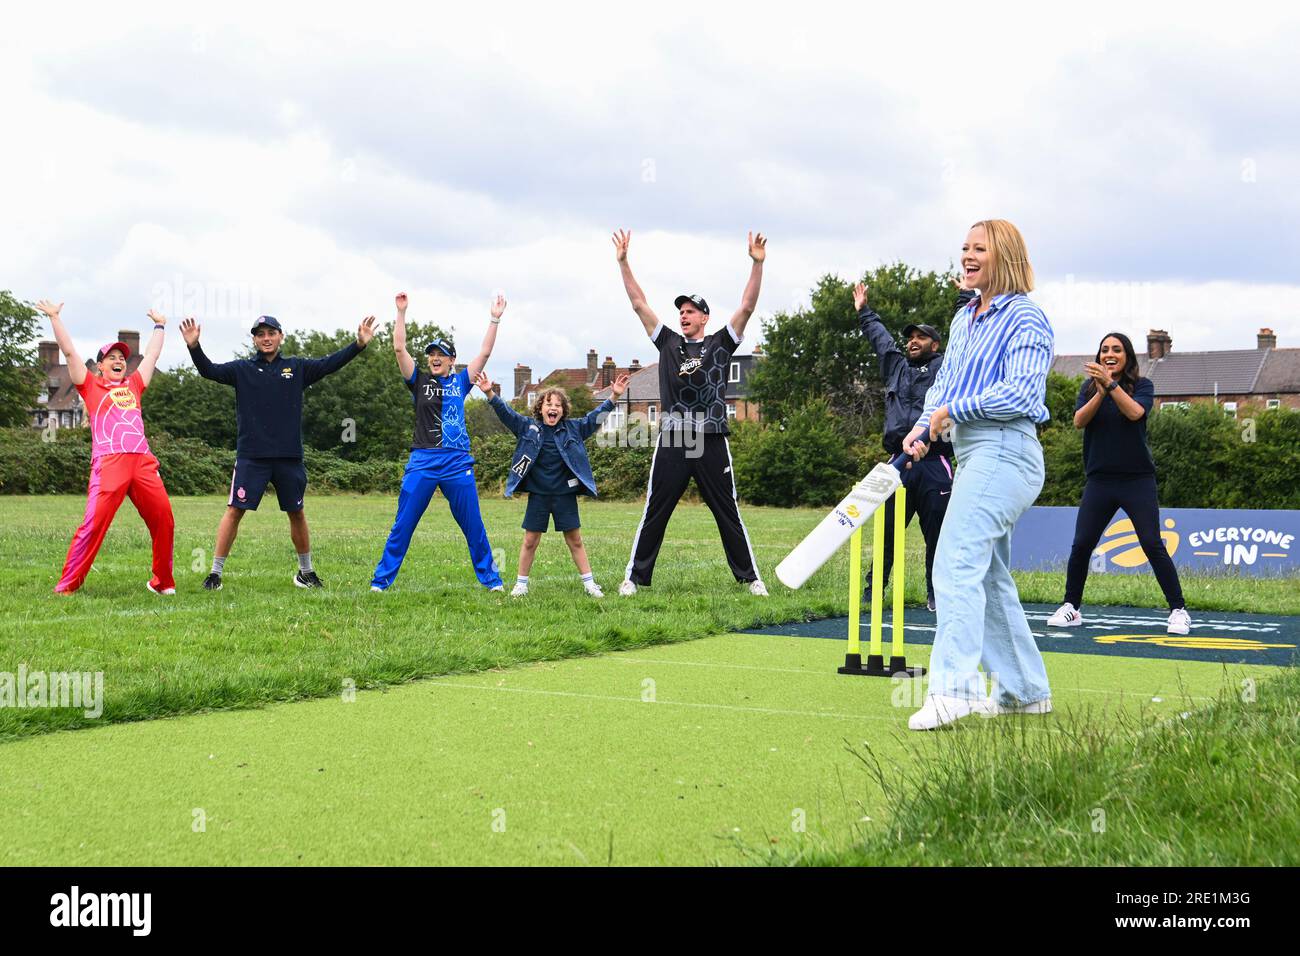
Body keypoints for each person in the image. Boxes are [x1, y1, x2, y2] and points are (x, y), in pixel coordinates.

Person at [901, 219, 1054, 730]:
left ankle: (954, 691)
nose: (967, 256)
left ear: (1004, 256)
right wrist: (925, 425)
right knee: (987, 575)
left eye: (978, 249)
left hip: (1007, 452)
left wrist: (953, 413)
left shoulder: (1027, 318)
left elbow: (1023, 395)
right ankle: (1025, 692)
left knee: (954, 562)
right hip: (974, 454)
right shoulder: (965, 319)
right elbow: (943, 385)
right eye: (964, 248)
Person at [611, 229, 768, 597]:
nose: (683, 315)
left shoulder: (720, 343)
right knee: (656, 510)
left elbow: (746, 307)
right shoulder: (667, 342)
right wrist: (623, 262)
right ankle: (634, 578)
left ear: (704, 317)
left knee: (726, 510)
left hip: (711, 437)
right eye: (680, 311)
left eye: (690, 311)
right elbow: (638, 303)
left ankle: (750, 579)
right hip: (674, 437)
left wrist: (757, 264)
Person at [181, 312, 376, 590]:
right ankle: (214, 573)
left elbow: (329, 364)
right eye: (260, 334)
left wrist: (358, 345)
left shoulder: (296, 368)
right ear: (254, 339)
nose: (266, 338)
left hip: (288, 457)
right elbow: (208, 370)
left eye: (271, 333)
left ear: (280, 336)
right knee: (235, 511)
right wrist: (194, 347)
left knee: (297, 513)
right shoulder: (242, 370)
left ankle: (305, 573)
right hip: (252, 456)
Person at [1047, 332, 1190, 634]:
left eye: (1117, 350)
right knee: (1082, 543)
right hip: (1100, 480)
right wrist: (1100, 390)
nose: (1110, 354)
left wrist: (1111, 385)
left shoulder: (1142, 386)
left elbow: (1136, 413)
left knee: (1151, 543)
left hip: (1137, 480)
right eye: (1104, 350)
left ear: (1127, 357)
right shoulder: (1088, 388)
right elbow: (1078, 421)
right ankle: (1071, 607)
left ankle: (1178, 610)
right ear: (1098, 357)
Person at [36, 300, 176, 596]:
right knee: (94, 525)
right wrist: (55, 318)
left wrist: (160, 325)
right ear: (100, 365)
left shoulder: (134, 384)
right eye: (111, 357)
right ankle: (67, 585)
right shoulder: (90, 385)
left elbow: (151, 355)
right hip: (109, 463)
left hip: (142, 462)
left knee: (164, 518)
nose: (118, 360)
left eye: (121, 357)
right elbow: (70, 352)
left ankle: (162, 581)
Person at [369, 293, 505, 593]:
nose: (434, 357)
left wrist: (494, 318)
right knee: (402, 526)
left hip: (457, 463)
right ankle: (380, 582)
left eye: (441, 354)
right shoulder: (418, 381)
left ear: (452, 360)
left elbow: (484, 352)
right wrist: (401, 312)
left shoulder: (461, 381)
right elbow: (398, 347)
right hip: (423, 461)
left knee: (474, 527)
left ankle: (492, 581)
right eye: (431, 353)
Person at [474, 370, 630, 598]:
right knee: (530, 541)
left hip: (564, 495)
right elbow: (506, 414)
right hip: (539, 495)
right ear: (541, 408)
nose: (553, 408)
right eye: (548, 404)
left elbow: (596, 416)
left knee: (575, 540)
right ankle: (521, 584)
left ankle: (589, 585)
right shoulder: (527, 427)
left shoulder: (574, 428)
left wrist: (614, 397)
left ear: (563, 410)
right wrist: (489, 392)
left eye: (557, 404)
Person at [854, 280, 956, 611]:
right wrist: (864, 312)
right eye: (910, 337)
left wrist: (967, 297)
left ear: (936, 345)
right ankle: (873, 592)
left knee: (937, 535)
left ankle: (935, 593)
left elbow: (966, 340)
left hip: (934, 462)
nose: (913, 341)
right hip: (899, 462)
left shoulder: (945, 367)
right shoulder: (897, 367)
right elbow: (882, 341)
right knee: (886, 533)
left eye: (921, 337)